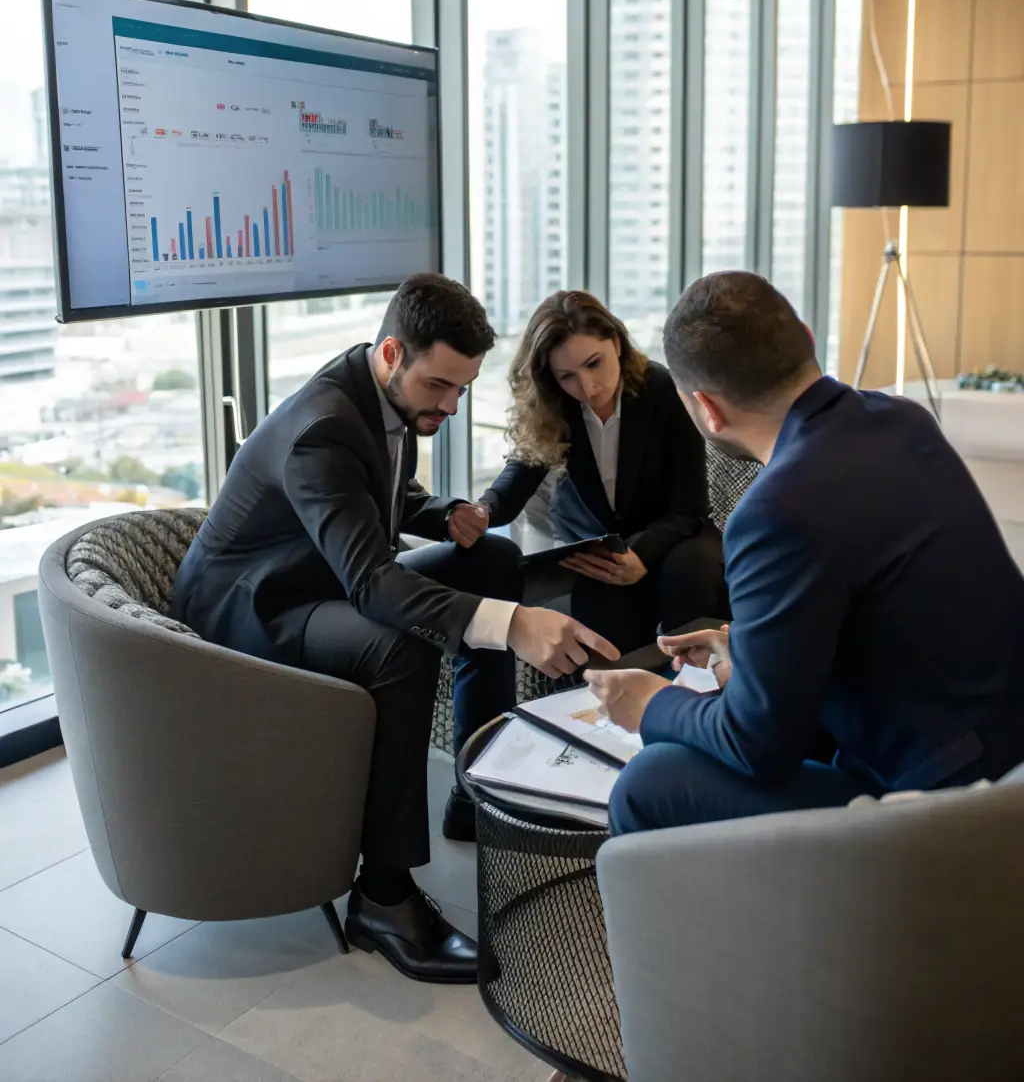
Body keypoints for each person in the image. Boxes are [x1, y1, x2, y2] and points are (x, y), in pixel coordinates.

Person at [171, 273, 616, 982]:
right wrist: (513, 627)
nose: (449, 403)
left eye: (462, 388)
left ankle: (474, 789)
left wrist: (441, 513)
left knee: (491, 559)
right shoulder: (323, 428)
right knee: (398, 646)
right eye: (438, 385)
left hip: (317, 573)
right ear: (390, 354)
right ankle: (383, 898)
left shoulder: (376, 393)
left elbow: (375, 490)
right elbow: (372, 582)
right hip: (253, 609)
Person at [585, 270, 1024, 835]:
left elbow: (756, 747)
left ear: (707, 410)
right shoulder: (903, 420)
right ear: (807, 340)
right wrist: (743, 645)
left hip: (947, 804)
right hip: (1001, 743)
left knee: (652, 781)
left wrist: (651, 706)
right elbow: (886, 607)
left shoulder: (774, 511)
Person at [447, 290, 724, 655]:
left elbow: (689, 508)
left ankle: (696, 688)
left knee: (691, 571)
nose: (588, 387)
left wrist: (640, 556)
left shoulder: (664, 390)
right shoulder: (556, 405)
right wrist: (483, 510)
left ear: (616, 343)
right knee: (602, 629)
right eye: (567, 376)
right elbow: (519, 475)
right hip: (602, 548)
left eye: (594, 363)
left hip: (671, 537)